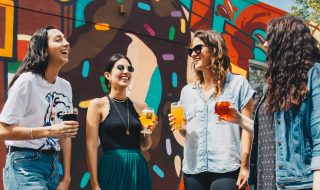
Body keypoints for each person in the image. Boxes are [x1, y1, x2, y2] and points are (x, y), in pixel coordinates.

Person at [220, 15, 320, 190]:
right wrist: (239, 119)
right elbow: (270, 133)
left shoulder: (313, 75)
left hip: (296, 183)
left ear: (286, 42)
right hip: (267, 177)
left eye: (269, 39)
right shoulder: (271, 86)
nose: (265, 45)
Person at [168, 30, 255, 190]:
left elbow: (247, 129)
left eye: (198, 49)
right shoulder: (187, 92)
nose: (193, 54)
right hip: (193, 170)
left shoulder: (238, 84)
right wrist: (182, 128)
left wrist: (245, 165)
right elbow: (185, 131)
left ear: (214, 49)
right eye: (190, 51)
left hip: (226, 169)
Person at [0, 26, 79, 190]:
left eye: (65, 39)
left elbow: (65, 135)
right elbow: (2, 131)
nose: (66, 44)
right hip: (24, 164)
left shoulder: (65, 87)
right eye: (58, 40)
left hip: (53, 167)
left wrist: (66, 178)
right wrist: (50, 131)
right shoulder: (27, 82)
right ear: (43, 48)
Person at [86, 53, 157, 190]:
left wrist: (148, 131)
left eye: (130, 69)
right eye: (120, 67)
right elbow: (91, 146)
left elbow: (145, 145)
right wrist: (95, 184)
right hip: (112, 167)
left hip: (138, 168)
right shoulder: (97, 105)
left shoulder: (142, 107)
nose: (126, 72)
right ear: (107, 75)